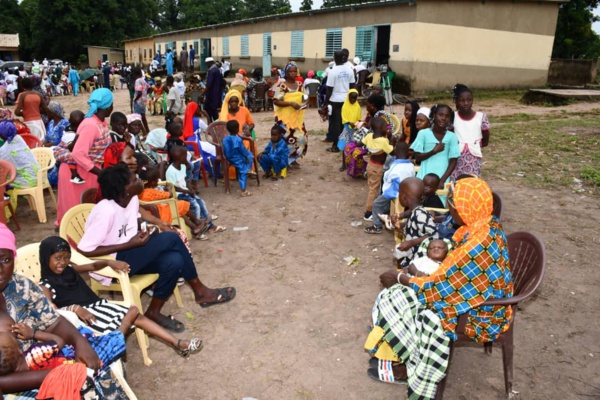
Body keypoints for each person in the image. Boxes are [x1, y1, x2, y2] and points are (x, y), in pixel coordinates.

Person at [367, 177, 513, 395]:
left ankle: (413, 370)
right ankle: (403, 353)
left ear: (466, 208)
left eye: (453, 205)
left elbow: (437, 291)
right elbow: (453, 279)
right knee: (402, 291)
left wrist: (401, 278)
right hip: (475, 295)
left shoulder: (477, 244)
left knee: (404, 300)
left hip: (481, 312)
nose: (450, 209)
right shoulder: (485, 225)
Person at [76, 165, 234, 333]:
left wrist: (152, 225)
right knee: (171, 238)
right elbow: (85, 250)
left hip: (131, 254)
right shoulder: (106, 211)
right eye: (135, 180)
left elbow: (136, 215)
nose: (139, 180)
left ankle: (153, 312)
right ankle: (200, 290)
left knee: (174, 260)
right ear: (125, 189)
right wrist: (131, 244)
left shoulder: (131, 200)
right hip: (112, 264)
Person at [38, 236, 203, 355]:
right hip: (81, 319)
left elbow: (93, 266)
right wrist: (76, 309)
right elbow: (50, 311)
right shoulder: (45, 285)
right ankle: (114, 346)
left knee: (137, 316)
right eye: (57, 258)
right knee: (120, 325)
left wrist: (109, 262)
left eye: (66, 258)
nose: (63, 262)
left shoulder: (69, 269)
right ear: (46, 259)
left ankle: (177, 343)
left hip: (98, 306)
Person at [0, 223, 108, 394]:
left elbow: (53, 321)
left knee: (101, 365)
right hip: (16, 385)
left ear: (14, 259)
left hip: (40, 360)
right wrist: (58, 374)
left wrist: (80, 342)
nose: (0, 270)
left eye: (5, 260)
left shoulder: (21, 286)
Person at [56, 88, 113, 226]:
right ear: (108, 106)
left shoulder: (98, 123)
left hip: (88, 170)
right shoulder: (91, 125)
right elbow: (78, 153)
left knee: (88, 213)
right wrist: (100, 173)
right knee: (79, 215)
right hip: (81, 172)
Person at [166, 145, 225, 234]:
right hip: (179, 195)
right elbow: (173, 187)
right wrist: (187, 191)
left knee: (201, 203)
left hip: (186, 192)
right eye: (185, 155)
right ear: (179, 157)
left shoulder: (182, 166)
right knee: (195, 206)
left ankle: (210, 226)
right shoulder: (171, 171)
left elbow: (185, 180)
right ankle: (197, 229)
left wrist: (190, 188)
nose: (187, 157)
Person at [139, 167, 209, 238]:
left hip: (150, 213)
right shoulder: (150, 192)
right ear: (152, 182)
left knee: (177, 209)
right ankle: (196, 222)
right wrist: (169, 189)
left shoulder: (140, 191)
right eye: (157, 179)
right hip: (159, 214)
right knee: (182, 204)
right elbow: (170, 195)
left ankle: (194, 227)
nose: (158, 181)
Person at [364, 142, 414, 234]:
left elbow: (389, 179)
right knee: (386, 206)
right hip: (407, 192)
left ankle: (377, 226)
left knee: (376, 204)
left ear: (396, 152)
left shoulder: (395, 166)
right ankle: (387, 218)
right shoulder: (411, 165)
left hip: (393, 193)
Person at [390, 177, 439, 266]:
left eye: (399, 193)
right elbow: (412, 232)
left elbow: (433, 235)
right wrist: (397, 225)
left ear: (404, 197)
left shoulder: (420, 214)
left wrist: (411, 243)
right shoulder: (414, 212)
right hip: (413, 255)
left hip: (421, 260)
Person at [411, 104, 460, 190]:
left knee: (441, 198)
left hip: (442, 178)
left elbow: (453, 161)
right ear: (434, 115)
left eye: (447, 116)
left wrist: (442, 181)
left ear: (450, 119)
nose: (443, 118)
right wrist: (433, 151)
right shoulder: (423, 134)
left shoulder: (452, 137)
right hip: (423, 177)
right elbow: (417, 157)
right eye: (440, 115)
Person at [273, 61, 308, 167]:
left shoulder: (300, 85)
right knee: (286, 139)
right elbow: (276, 101)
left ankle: (293, 158)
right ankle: (285, 161)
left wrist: (303, 103)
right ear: (286, 73)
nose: (293, 73)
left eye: (294, 71)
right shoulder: (282, 86)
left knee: (301, 138)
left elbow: (304, 97)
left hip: (297, 118)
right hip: (284, 119)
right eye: (290, 71)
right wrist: (290, 103)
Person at [451, 84, 490, 179]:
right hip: (456, 158)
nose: (466, 103)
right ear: (456, 101)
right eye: (462, 100)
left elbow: (485, 141)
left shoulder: (480, 117)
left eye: (469, 100)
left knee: (472, 181)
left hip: (474, 158)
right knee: (456, 182)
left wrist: (474, 145)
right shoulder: (452, 117)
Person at [359, 117, 393, 222]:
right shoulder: (383, 141)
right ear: (381, 128)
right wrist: (391, 139)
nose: (387, 128)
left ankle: (373, 209)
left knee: (372, 188)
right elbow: (392, 151)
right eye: (385, 126)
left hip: (370, 165)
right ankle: (368, 213)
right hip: (377, 167)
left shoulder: (369, 136)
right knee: (373, 191)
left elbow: (360, 143)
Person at [322, 50, 355, 152]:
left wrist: (325, 103)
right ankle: (346, 144)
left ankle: (336, 146)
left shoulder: (333, 71)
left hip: (335, 101)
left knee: (336, 123)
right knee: (345, 122)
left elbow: (329, 89)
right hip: (347, 100)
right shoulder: (349, 70)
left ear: (335, 59)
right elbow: (352, 86)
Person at [0, 120, 40, 189]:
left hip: (27, 181)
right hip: (39, 176)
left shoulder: (4, 149)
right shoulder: (19, 138)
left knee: (3, 180)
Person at [222, 120, 253, 197]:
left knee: (247, 156)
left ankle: (247, 169)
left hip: (227, 157)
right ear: (237, 129)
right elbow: (242, 150)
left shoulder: (225, 139)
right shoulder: (238, 139)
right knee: (249, 156)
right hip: (237, 158)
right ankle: (243, 190)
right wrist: (246, 157)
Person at [337, 89, 362, 171]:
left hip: (355, 130)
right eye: (351, 98)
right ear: (348, 97)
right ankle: (343, 164)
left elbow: (359, 118)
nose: (353, 100)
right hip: (347, 129)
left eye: (355, 98)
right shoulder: (345, 106)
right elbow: (344, 118)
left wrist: (358, 123)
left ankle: (351, 164)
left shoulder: (357, 106)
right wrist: (349, 123)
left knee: (354, 147)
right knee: (345, 146)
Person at [133, 67, 150, 134]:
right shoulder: (143, 80)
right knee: (143, 117)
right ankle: (147, 130)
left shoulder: (137, 81)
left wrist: (135, 99)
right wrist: (145, 94)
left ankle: (144, 132)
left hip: (138, 101)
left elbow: (139, 92)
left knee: (137, 118)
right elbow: (150, 88)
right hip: (143, 101)